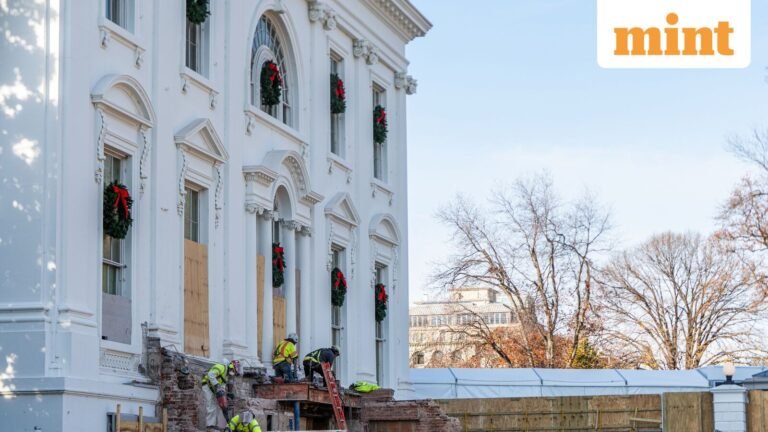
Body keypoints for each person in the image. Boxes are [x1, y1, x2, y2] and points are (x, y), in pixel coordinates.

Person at [201, 358, 241, 430]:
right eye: (232, 371)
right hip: (207, 385)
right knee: (211, 405)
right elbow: (211, 375)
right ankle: (210, 425)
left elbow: (222, 385)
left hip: (213, 387)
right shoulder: (221, 367)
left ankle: (213, 424)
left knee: (216, 406)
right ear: (231, 367)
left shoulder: (226, 374)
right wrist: (217, 385)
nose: (232, 373)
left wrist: (226, 393)